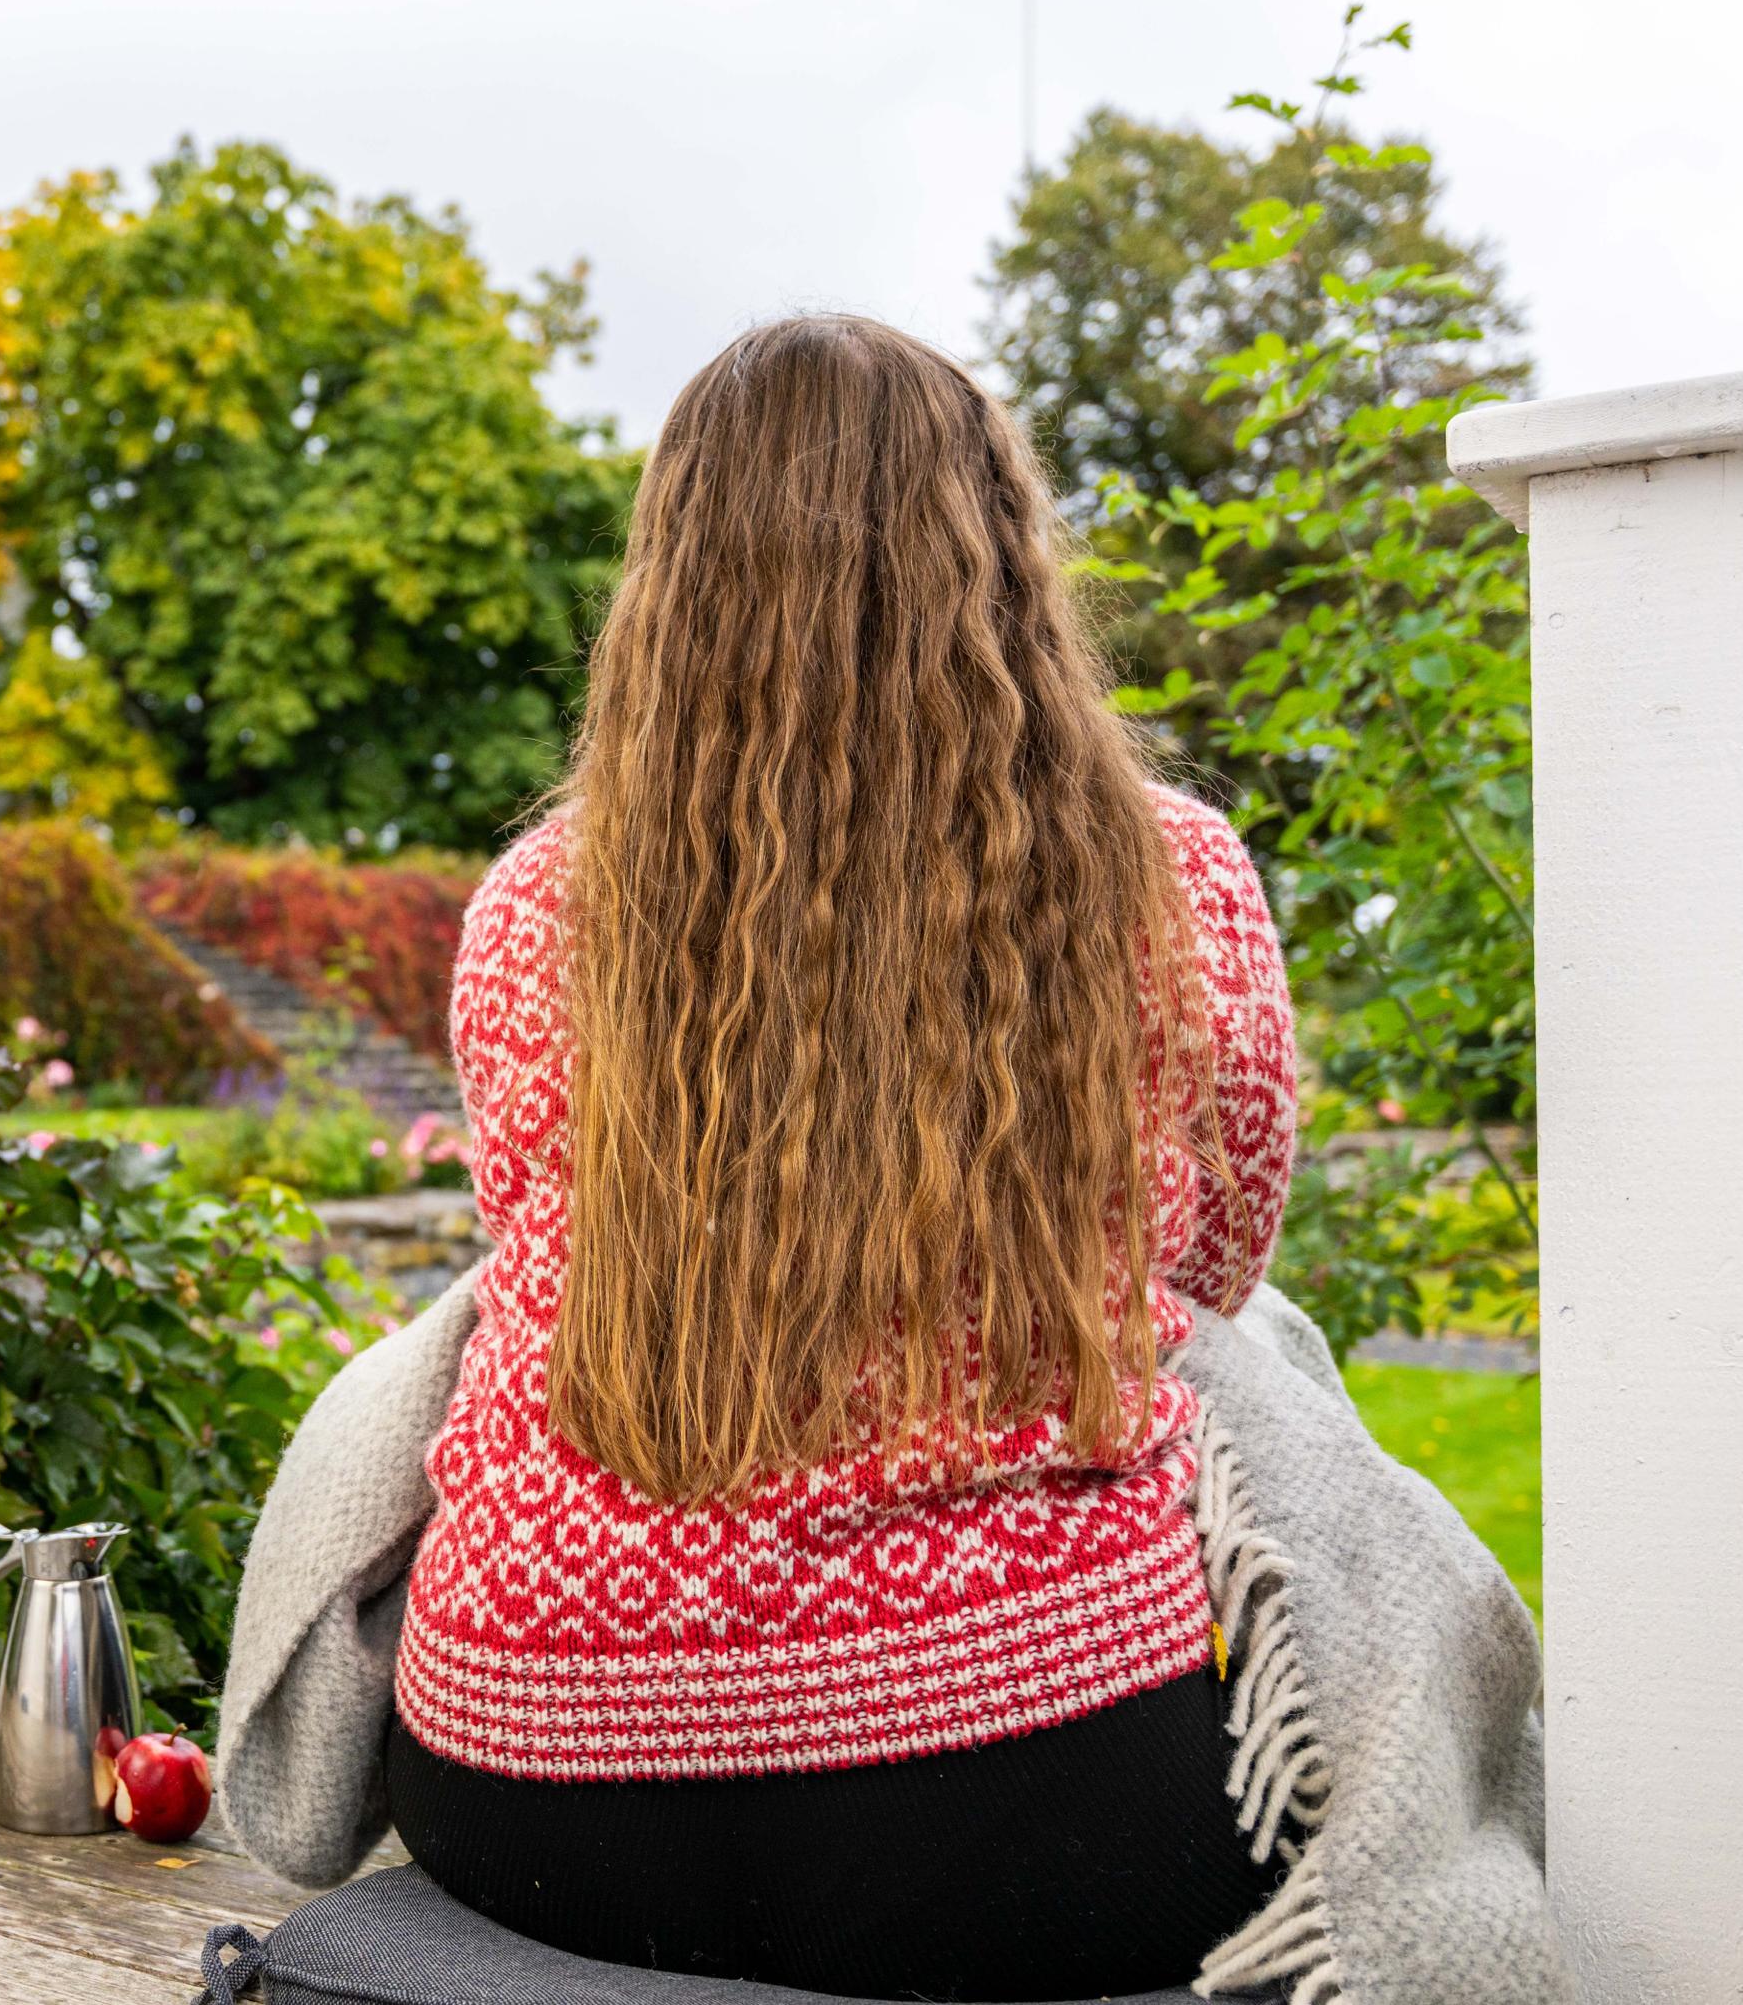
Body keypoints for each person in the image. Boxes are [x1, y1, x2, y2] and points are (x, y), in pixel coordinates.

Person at [384, 314, 1302, 2000]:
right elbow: (1219, 1270)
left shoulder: (536, 910)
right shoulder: (1170, 877)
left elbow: (537, 1237)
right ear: (1007, 562)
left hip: (531, 1783)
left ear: (669, 583)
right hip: (1051, 1789)